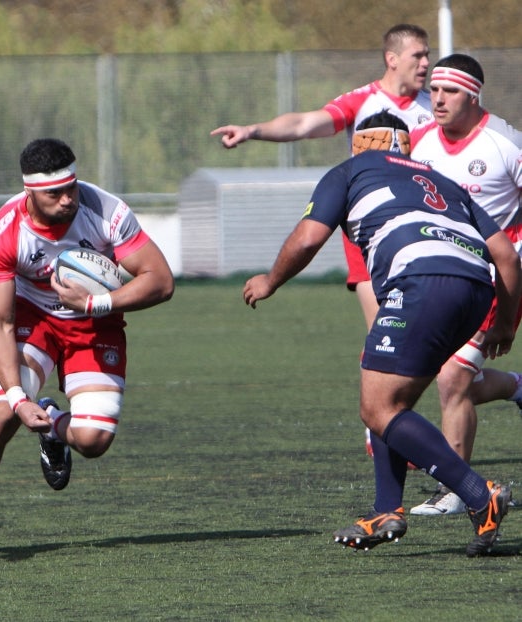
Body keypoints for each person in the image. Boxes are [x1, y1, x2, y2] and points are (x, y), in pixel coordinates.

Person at [243, 111, 520, 556]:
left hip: (422, 280)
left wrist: (270, 280)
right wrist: (504, 323)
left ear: (362, 142)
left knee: (377, 408)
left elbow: (309, 238)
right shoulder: (442, 180)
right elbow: (505, 255)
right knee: (389, 391)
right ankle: (387, 509)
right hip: (474, 289)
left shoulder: (352, 170)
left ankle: (477, 494)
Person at [0, 138, 175, 555]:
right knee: (1, 415)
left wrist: (94, 302)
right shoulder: (2, 234)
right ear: (29, 192)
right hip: (33, 319)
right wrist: (15, 396)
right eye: (55, 193)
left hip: (94, 322)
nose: (68, 199)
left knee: (93, 441)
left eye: (72, 186)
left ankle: (52, 423)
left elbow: (161, 280)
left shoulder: (107, 212)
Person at [212, 23, 432, 329]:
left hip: (422, 222)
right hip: (367, 227)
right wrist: (252, 131)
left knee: (429, 331)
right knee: (384, 329)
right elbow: (303, 124)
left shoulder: (436, 106)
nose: (425, 63)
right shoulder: (363, 101)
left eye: (427, 56)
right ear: (392, 59)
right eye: (417, 55)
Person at [398, 54, 522, 516]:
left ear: (473, 94)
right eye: (433, 90)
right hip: (444, 278)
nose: (437, 99)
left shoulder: (504, 144)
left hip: (496, 279)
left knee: (453, 378)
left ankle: (458, 490)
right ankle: (514, 387)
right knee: (449, 379)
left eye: (448, 91)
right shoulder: (422, 142)